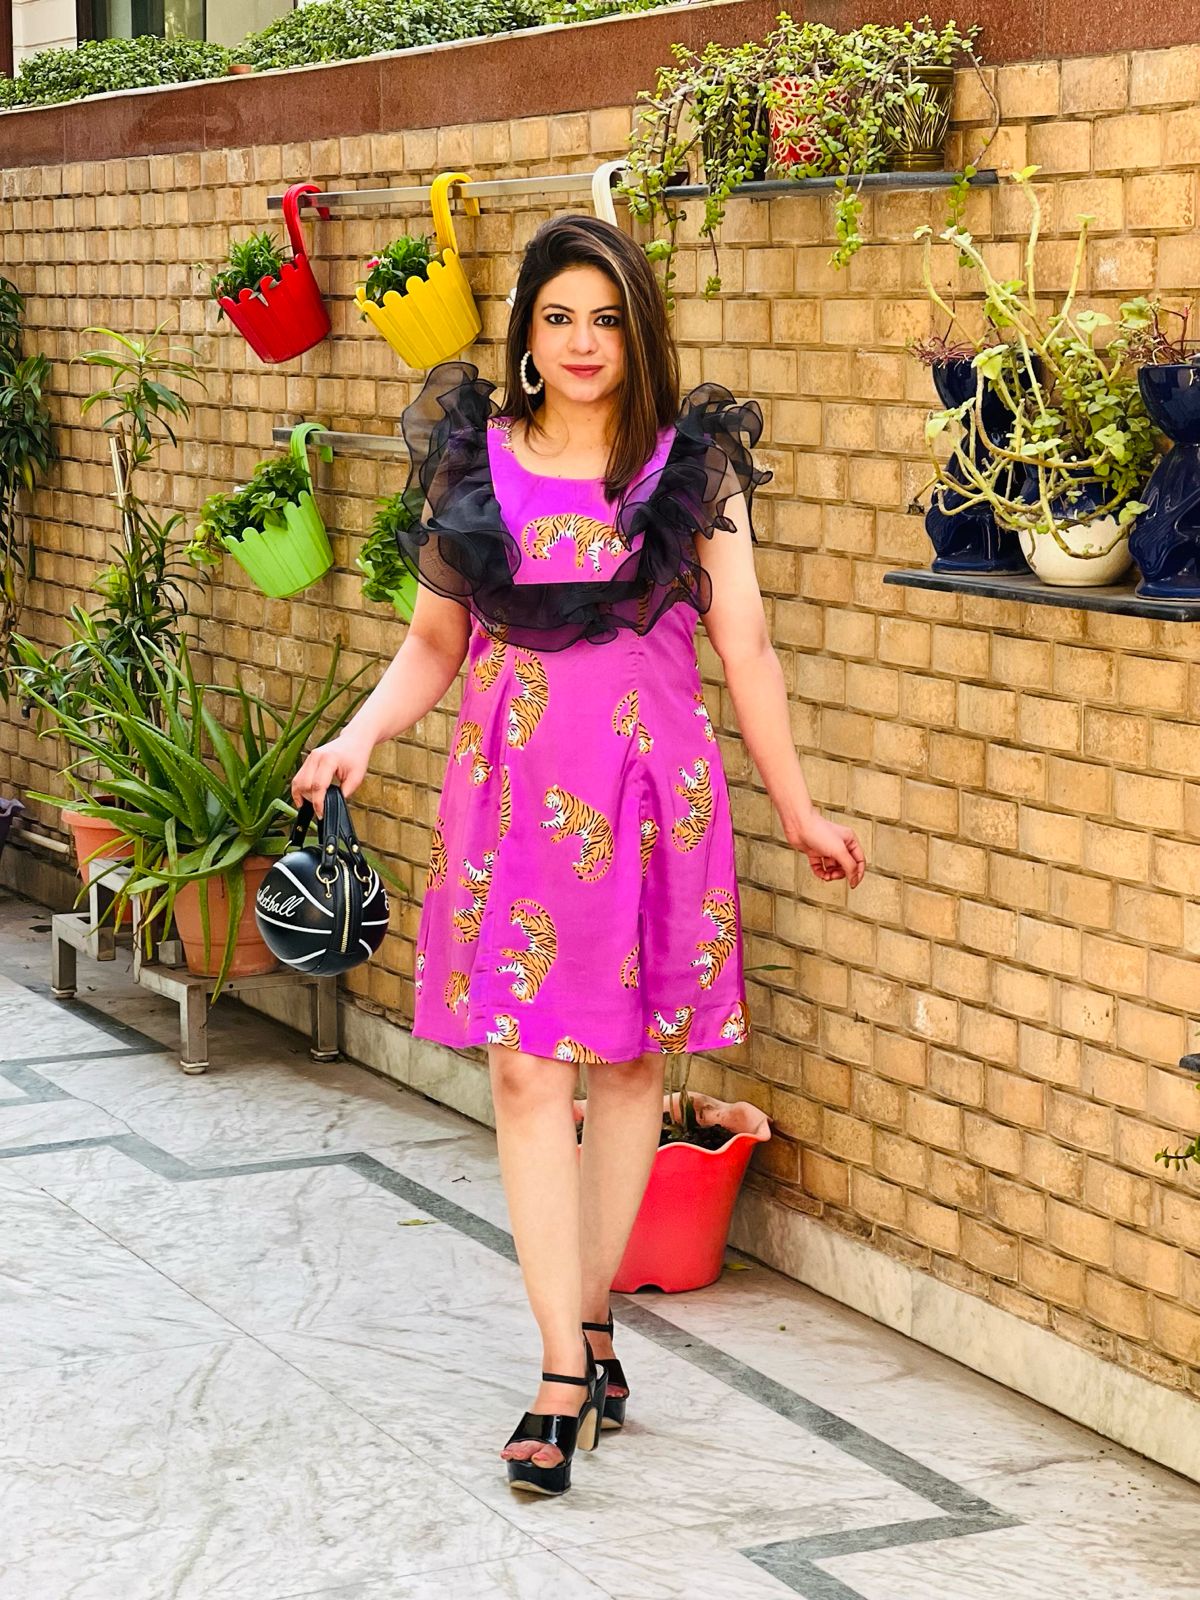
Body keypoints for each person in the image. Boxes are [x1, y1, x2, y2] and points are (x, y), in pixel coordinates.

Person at [291, 214, 866, 1497]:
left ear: (638, 333)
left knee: (627, 1070)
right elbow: (434, 643)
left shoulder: (688, 470)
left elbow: (748, 650)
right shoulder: (476, 462)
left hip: (652, 797)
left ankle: (592, 1323)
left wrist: (800, 808)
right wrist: (360, 735)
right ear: (528, 334)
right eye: (559, 317)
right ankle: (564, 1365)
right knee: (520, 1072)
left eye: (607, 319)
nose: (583, 341)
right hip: (510, 800)